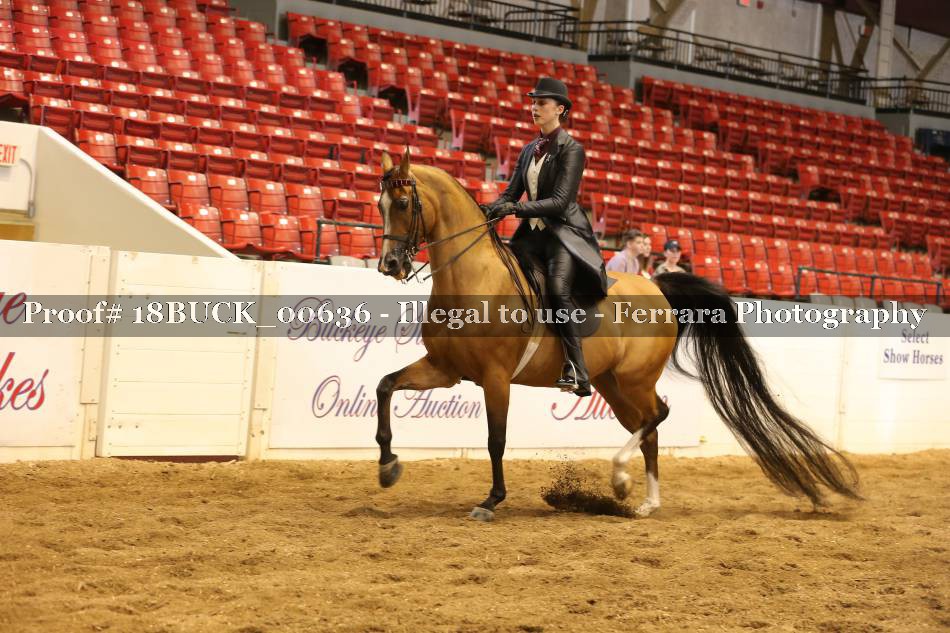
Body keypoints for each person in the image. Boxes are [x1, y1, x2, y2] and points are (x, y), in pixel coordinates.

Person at [481, 77, 609, 397]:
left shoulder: (572, 149)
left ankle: (577, 369)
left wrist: (515, 208)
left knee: (557, 289)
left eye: (541, 103)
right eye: (533, 102)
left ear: (560, 109)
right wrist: (487, 209)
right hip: (531, 237)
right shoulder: (529, 150)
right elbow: (510, 192)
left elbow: (560, 202)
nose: (534, 108)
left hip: (563, 236)